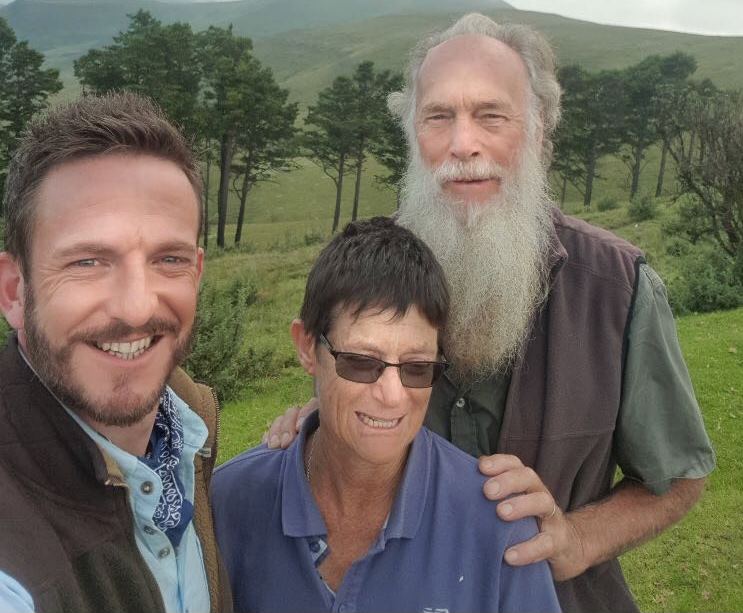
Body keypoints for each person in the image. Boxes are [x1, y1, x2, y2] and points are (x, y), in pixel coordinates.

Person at [265, 13, 715, 613]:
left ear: (539, 131)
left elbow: (679, 475)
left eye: (491, 116)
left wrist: (577, 538)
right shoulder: (356, 273)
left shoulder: (618, 288)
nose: (463, 144)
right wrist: (324, 419)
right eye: (438, 117)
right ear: (412, 136)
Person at [212, 217, 561, 613]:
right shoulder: (228, 504)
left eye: (416, 368)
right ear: (307, 347)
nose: (393, 396)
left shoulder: (498, 526)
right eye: (361, 363)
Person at [0, 93, 231, 613]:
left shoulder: (187, 434)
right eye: (87, 261)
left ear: (196, 273)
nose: (135, 306)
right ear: (15, 290)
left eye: (167, 259)